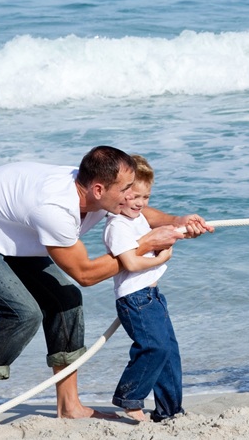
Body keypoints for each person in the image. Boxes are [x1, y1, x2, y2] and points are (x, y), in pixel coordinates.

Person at [0, 146, 212, 427]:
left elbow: (136, 210)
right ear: (98, 190)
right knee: (22, 315)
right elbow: (86, 274)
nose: (131, 196)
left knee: (66, 300)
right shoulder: (55, 209)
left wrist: (176, 221)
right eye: (126, 189)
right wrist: (145, 244)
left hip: (11, 232)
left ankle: (69, 406)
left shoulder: (98, 193)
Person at [102, 155, 184, 423]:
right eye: (134, 196)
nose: (140, 203)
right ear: (120, 192)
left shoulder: (137, 219)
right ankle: (129, 398)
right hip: (135, 299)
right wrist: (162, 258)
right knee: (154, 348)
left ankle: (170, 411)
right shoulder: (117, 225)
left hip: (153, 296)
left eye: (145, 197)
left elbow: (154, 235)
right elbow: (131, 262)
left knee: (169, 353)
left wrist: (180, 228)